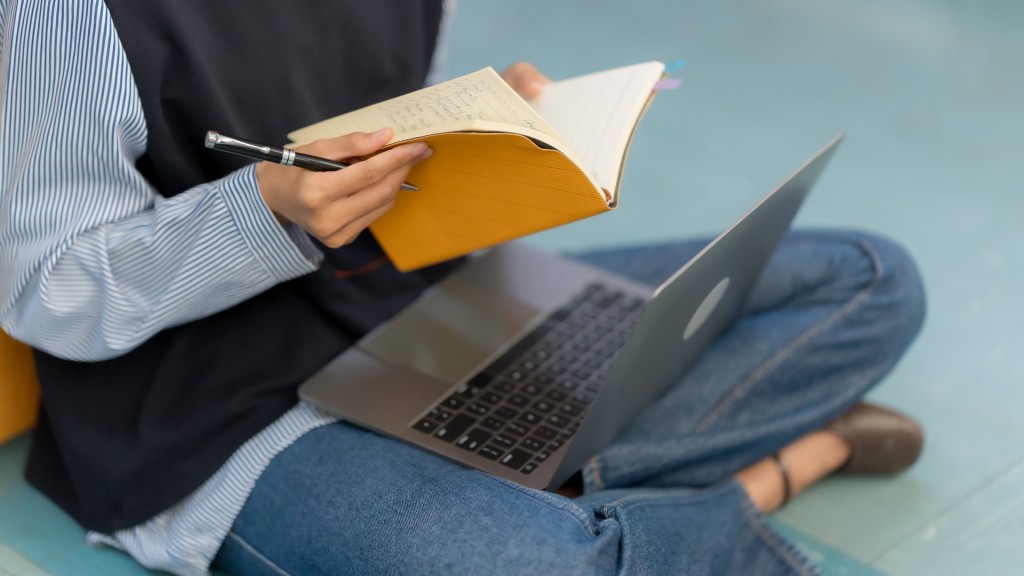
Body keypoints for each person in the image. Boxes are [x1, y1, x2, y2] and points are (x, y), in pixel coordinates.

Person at [0, 1, 926, 574]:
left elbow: (394, 113)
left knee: (873, 281)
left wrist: (477, 125)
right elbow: (49, 291)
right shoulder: (68, 12)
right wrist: (267, 207)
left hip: (423, 303)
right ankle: (790, 465)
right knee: (544, 570)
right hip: (216, 411)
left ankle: (544, 478)